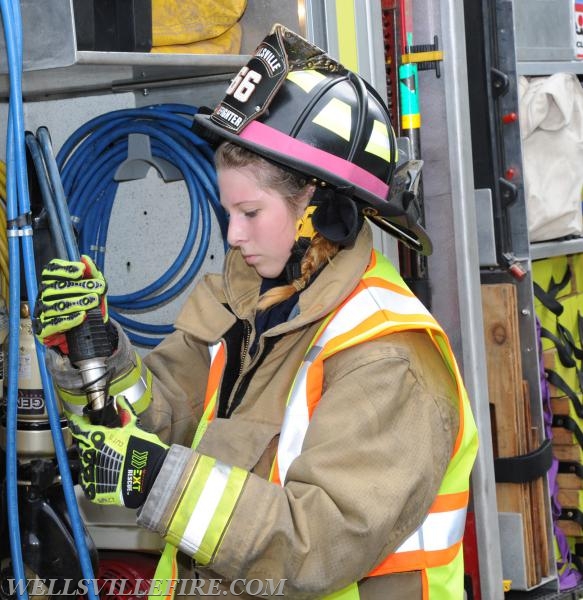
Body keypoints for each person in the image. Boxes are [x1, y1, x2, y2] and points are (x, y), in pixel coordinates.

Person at [34, 25, 478, 600]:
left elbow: (317, 545)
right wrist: (91, 353)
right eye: (228, 212)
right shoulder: (241, 303)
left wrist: (154, 481)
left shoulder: (387, 356)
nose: (234, 235)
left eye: (250, 211)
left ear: (322, 212)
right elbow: (158, 420)